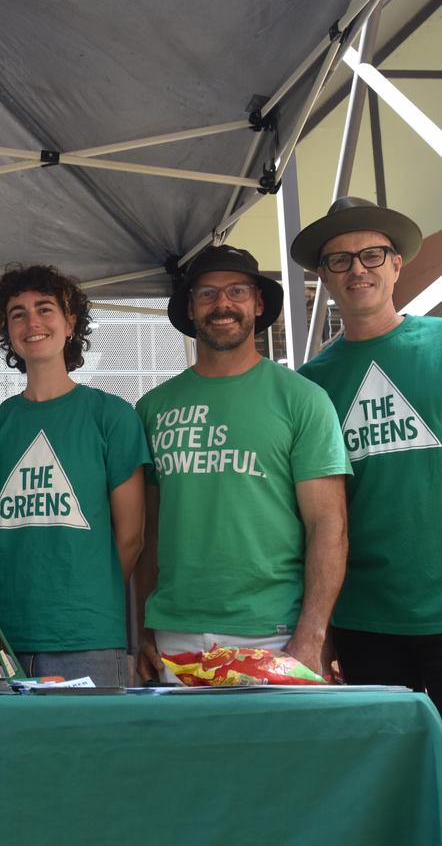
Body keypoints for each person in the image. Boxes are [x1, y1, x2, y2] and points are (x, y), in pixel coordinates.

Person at [135, 244, 351, 683]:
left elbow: (329, 525)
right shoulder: (153, 407)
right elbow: (148, 529)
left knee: (275, 754)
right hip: (175, 634)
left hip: (274, 634)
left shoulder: (302, 399)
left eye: (237, 290)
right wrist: (142, 625)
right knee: (185, 755)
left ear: (257, 302)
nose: (223, 304)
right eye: (208, 293)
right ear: (192, 309)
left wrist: (312, 633)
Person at [293, 196, 442, 710]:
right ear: (324, 278)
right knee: (387, 770)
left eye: (372, 255)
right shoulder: (310, 386)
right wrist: (321, 626)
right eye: (340, 260)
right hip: (364, 619)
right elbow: (310, 518)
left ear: (397, 264)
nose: (357, 269)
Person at [0, 264, 151, 686]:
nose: (32, 321)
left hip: (87, 638)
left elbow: (132, 537)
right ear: (8, 330)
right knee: (1, 754)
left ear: (71, 323)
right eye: (17, 313)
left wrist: (84, 594)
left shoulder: (112, 415)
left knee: (89, 754)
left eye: (45, 308)